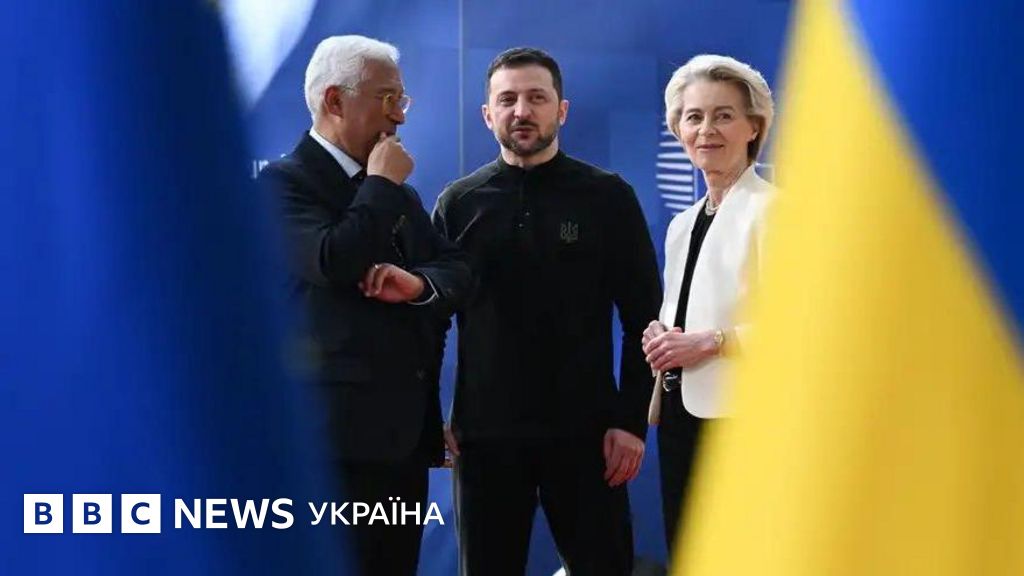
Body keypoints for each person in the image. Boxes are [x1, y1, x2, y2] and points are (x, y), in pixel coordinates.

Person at [433, 47, 662, 576]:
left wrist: (630, 422)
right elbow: (430, 322)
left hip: (589, 436)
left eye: (536, 98)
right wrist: (432, 417)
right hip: (484, 439)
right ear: (487, 114)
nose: (522, 111)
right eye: (507, 99)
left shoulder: (608, 197)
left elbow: (644, 320)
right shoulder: (458, 203)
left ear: (561, 110)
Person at [259, 35, 471, 576]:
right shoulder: (283, 184)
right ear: (335, 101)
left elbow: (457, 271)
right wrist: (378, 183)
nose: (399, 116)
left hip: (403, 441)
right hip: (330, 447)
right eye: (387, 98)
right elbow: (332, 259)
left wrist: (417, 285)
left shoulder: (398, 193)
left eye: (402, 99)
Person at [641, 54, 776, 564]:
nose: (706, 130)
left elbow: (801, 326)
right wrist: (661, 334)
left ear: (753, 127)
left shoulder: (774, 210)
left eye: (723, 116)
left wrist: (714, 341)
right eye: (693, 117)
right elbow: (689, 311)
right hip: (680, 412)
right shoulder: (683, 224)